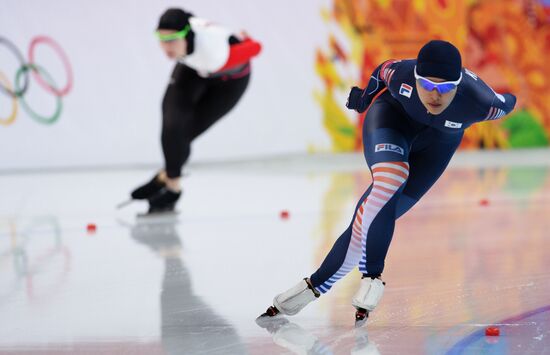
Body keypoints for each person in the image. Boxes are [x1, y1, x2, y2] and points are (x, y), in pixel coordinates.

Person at [258, 40, 517, 326]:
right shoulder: (402, 74)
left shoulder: (482, 102)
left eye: (444, 88)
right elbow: (382, 71)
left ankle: (310, 289)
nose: (434, 94)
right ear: (415, 77)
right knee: (390, 180)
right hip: (392, 121)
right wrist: (365, 97)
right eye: (427, 84)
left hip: (437, 147)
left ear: (458, 85)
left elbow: (510, 101)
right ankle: (372, 277)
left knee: (369, 221)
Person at [130, 8, 261, 214]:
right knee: (172, 124)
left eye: (172, 39)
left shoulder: (212, 52)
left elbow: (255, 49)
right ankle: (171, 182)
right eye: (161, 39)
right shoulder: (187, 42)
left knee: (185, 132)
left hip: (230, 82)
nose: (166, 46)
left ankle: (168, 179)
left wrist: (247, 42)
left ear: (187, 36)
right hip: (193, 68)